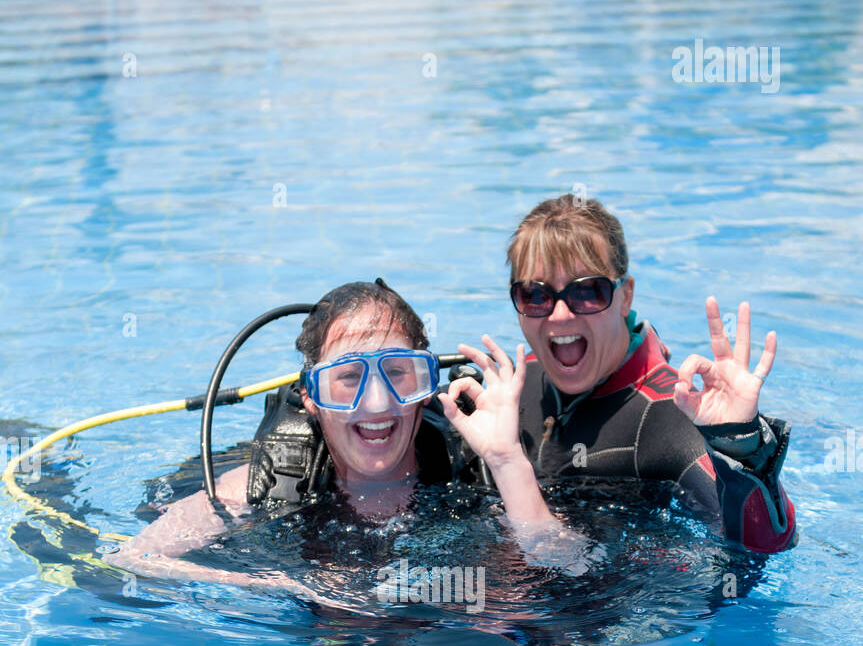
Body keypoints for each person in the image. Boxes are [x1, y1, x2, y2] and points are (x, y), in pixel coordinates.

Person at [108, 279, 576, 592]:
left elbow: (568, 567)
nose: (376, 403)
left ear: (425, 388)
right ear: (311, 398)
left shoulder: (474, 471)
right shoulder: (262, 487)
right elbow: (135, 558)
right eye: (348, 378)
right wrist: (285, 584)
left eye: (398, 373)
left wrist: (506, 460)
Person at [463, 194, 795, 553]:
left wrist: (739, 443)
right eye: (535, 295)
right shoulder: (512, 389)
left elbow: (764, 548)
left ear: (625, 297)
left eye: (588, 291)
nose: (559, 316)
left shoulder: (669, 416)